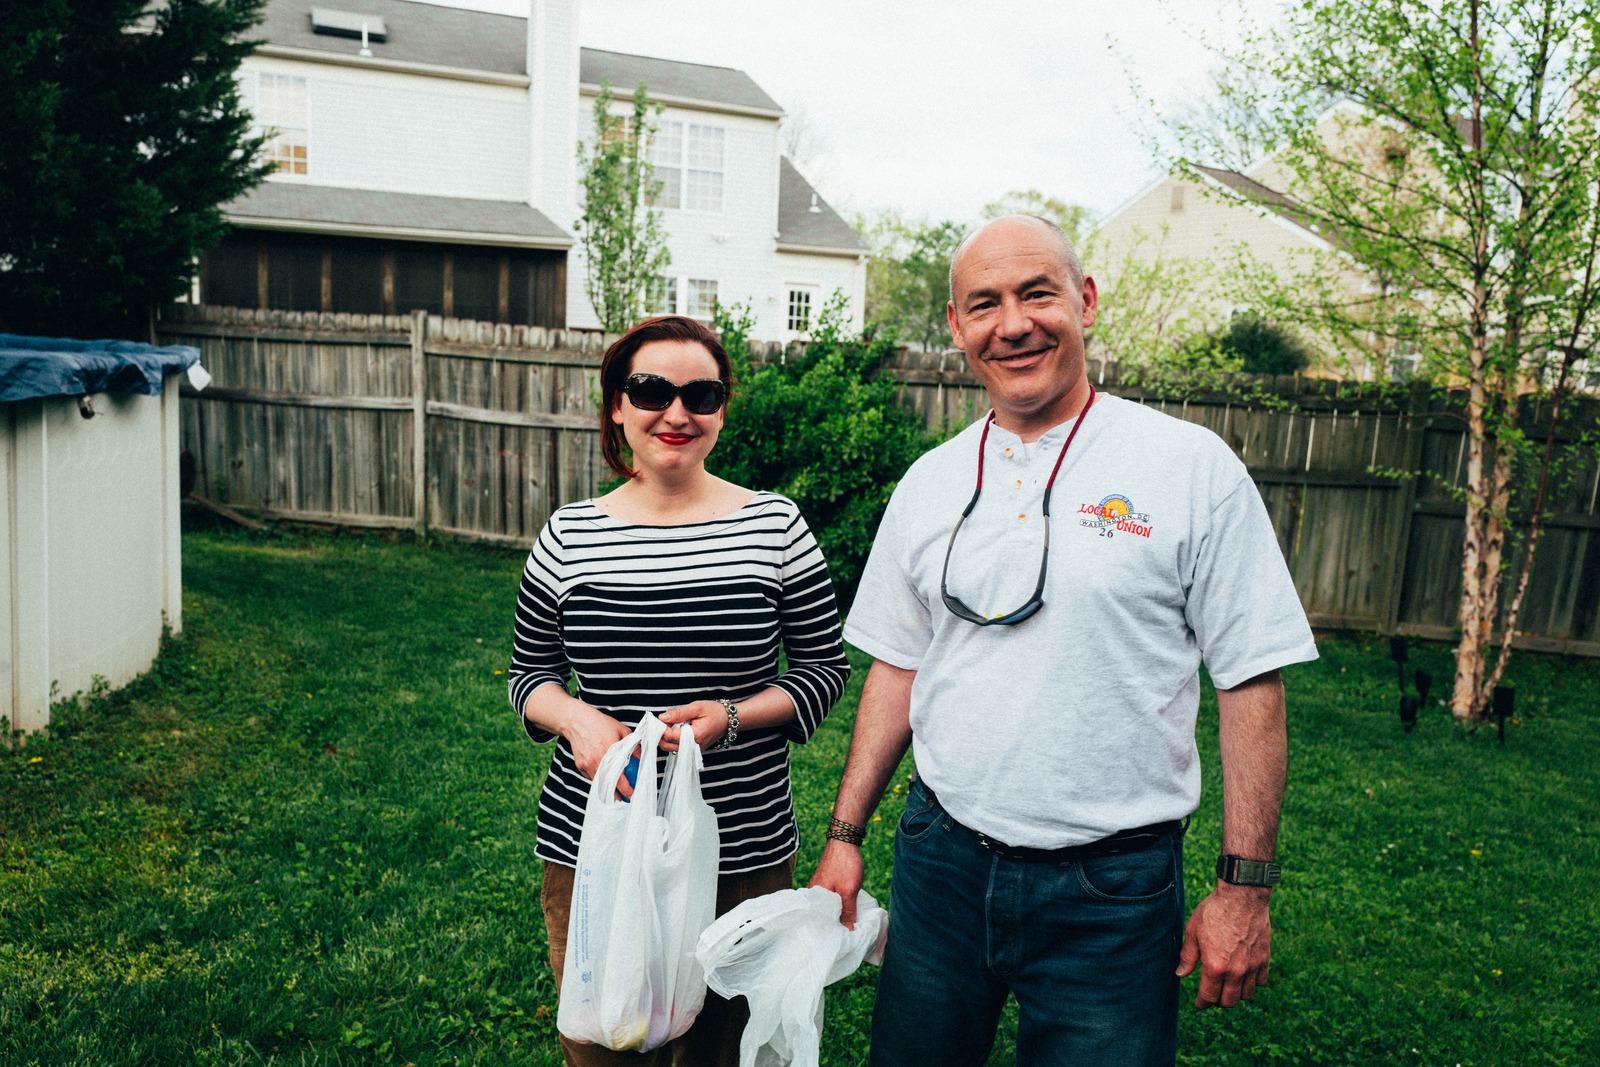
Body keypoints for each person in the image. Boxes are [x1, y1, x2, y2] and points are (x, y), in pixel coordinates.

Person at [809, 216, 1318, 1066]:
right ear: (956, 327)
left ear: (1084, 300)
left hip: (1112, 891)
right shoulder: (930, 481)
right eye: (985, 304)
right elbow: (899, 665)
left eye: (1036, 293)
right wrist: (845, 831)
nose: (1012, 324)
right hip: (941, 863)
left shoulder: (1189, 468)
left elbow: (1251, 684)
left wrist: (1245, 889)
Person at [508, 314, 851, 1067]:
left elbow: (825, 671)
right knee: (605, 1040)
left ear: (722, 409)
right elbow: (527, 676)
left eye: (701, 392)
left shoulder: (776, 527)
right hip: (596, 845)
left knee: (721, 1048)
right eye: (652, 389)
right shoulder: (569, 535)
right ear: (617, 406)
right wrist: (576, 720)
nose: (677, 411)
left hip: (743, 841)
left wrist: (731, 717)